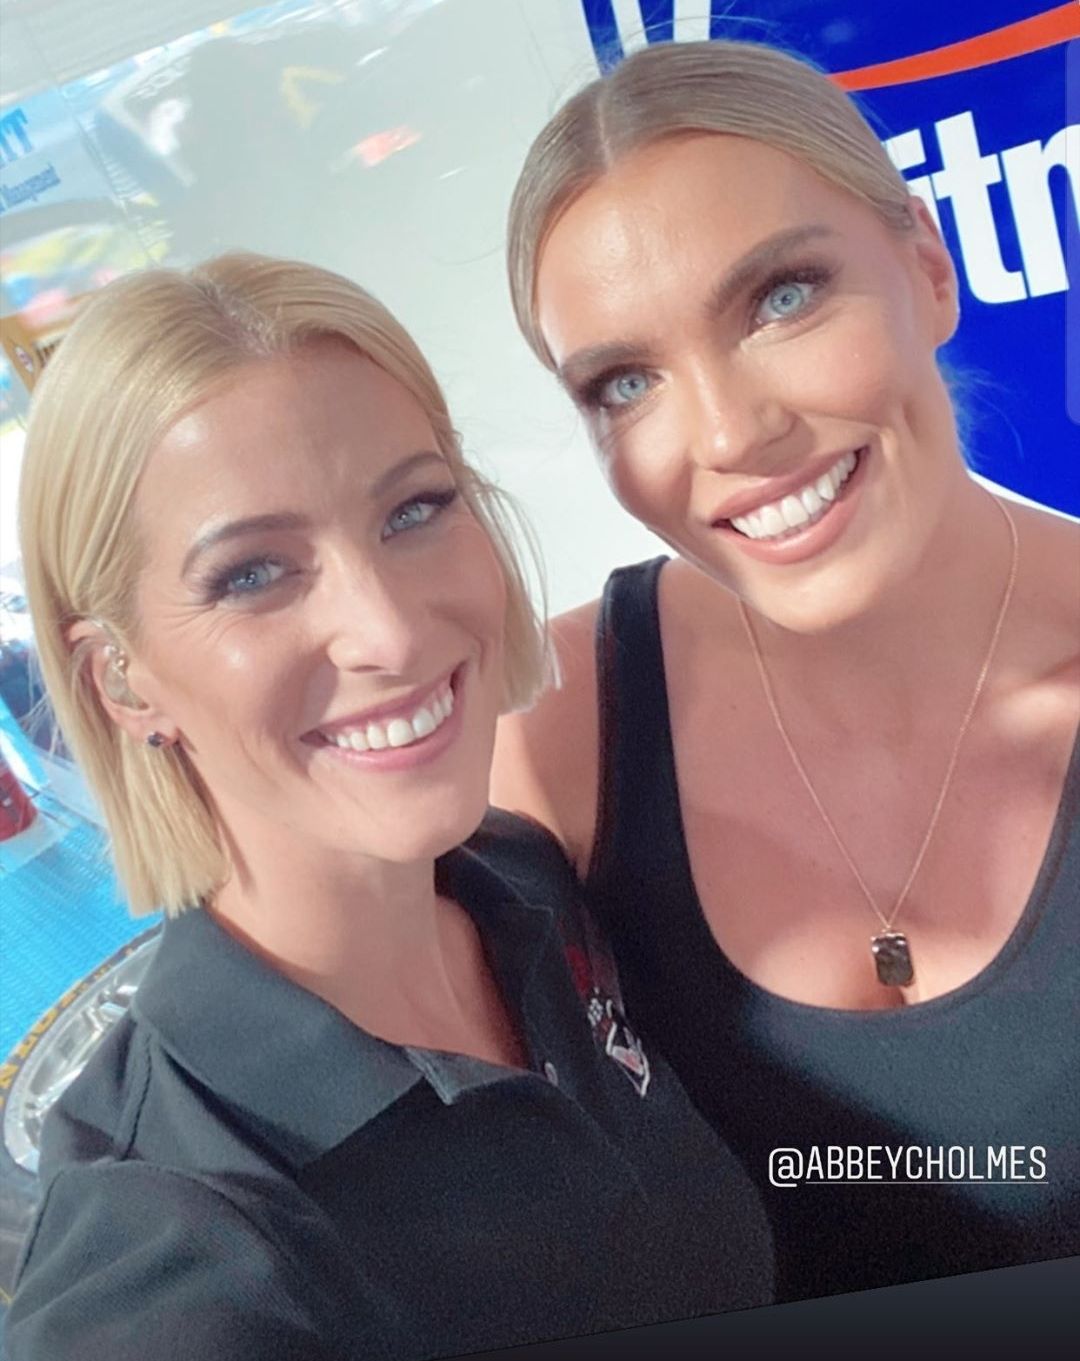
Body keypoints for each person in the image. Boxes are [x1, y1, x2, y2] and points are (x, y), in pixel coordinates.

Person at [6, 253, 773, 1360]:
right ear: (121, 681)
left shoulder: (519, 882)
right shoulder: (171, 1243)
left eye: (414, 508)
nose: (392, 630)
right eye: (252, 573)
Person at [492, 39, 1080, 1302]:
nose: (728, 434)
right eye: (627, 382)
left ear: (928, 267)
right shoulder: (559, 724)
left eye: (781, 298)